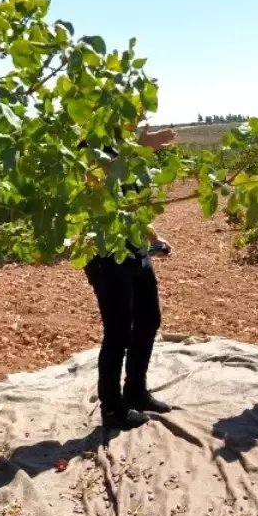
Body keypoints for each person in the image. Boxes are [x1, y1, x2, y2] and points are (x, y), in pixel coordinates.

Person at [81, 125, 177, 431]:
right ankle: (112, 409)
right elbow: (98, 176)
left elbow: (133, 206)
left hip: (136, 255)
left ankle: (135, 391)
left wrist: (152, 238)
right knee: (118, 332)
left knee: (149, 322)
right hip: (107, 259)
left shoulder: (130, 152)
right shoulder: (91, 145)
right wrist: (138, 145)